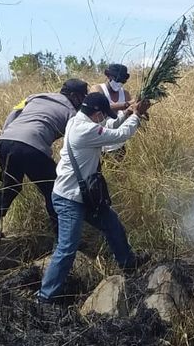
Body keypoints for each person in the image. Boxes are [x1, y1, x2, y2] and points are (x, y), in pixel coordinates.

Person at [37, 92, 151, 303]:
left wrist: (127, 112)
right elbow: (117, 136)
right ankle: (45, 297)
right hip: (70, 199)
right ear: (96, 113)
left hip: (83, 196)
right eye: (103, 115)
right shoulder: (84, 130)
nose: (104, 118)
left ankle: (129, 265)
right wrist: (135, 115)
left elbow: (109, 127)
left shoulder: (77, 120)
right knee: (67, 247)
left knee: (112, 225)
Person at [0, 78, 89, 245]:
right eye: (83, 97)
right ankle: (62, 238)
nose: (83, 101)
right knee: (54, 190)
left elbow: (13, 115)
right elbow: (75, 141)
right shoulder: (72, 113)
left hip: (6, 141)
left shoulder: (35, 97)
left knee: (10, 186)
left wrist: (2, 140)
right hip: (32, 146)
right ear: (75, 96)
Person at [89, 64, 132, 154]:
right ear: (108, 76)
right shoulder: (97, 89)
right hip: (100, 145)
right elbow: (100, 107)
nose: (119, 83)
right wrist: (126, 105)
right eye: (117, 79)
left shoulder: (125, 94)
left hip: (119, 143)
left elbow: (130, 112)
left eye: (122, 81)